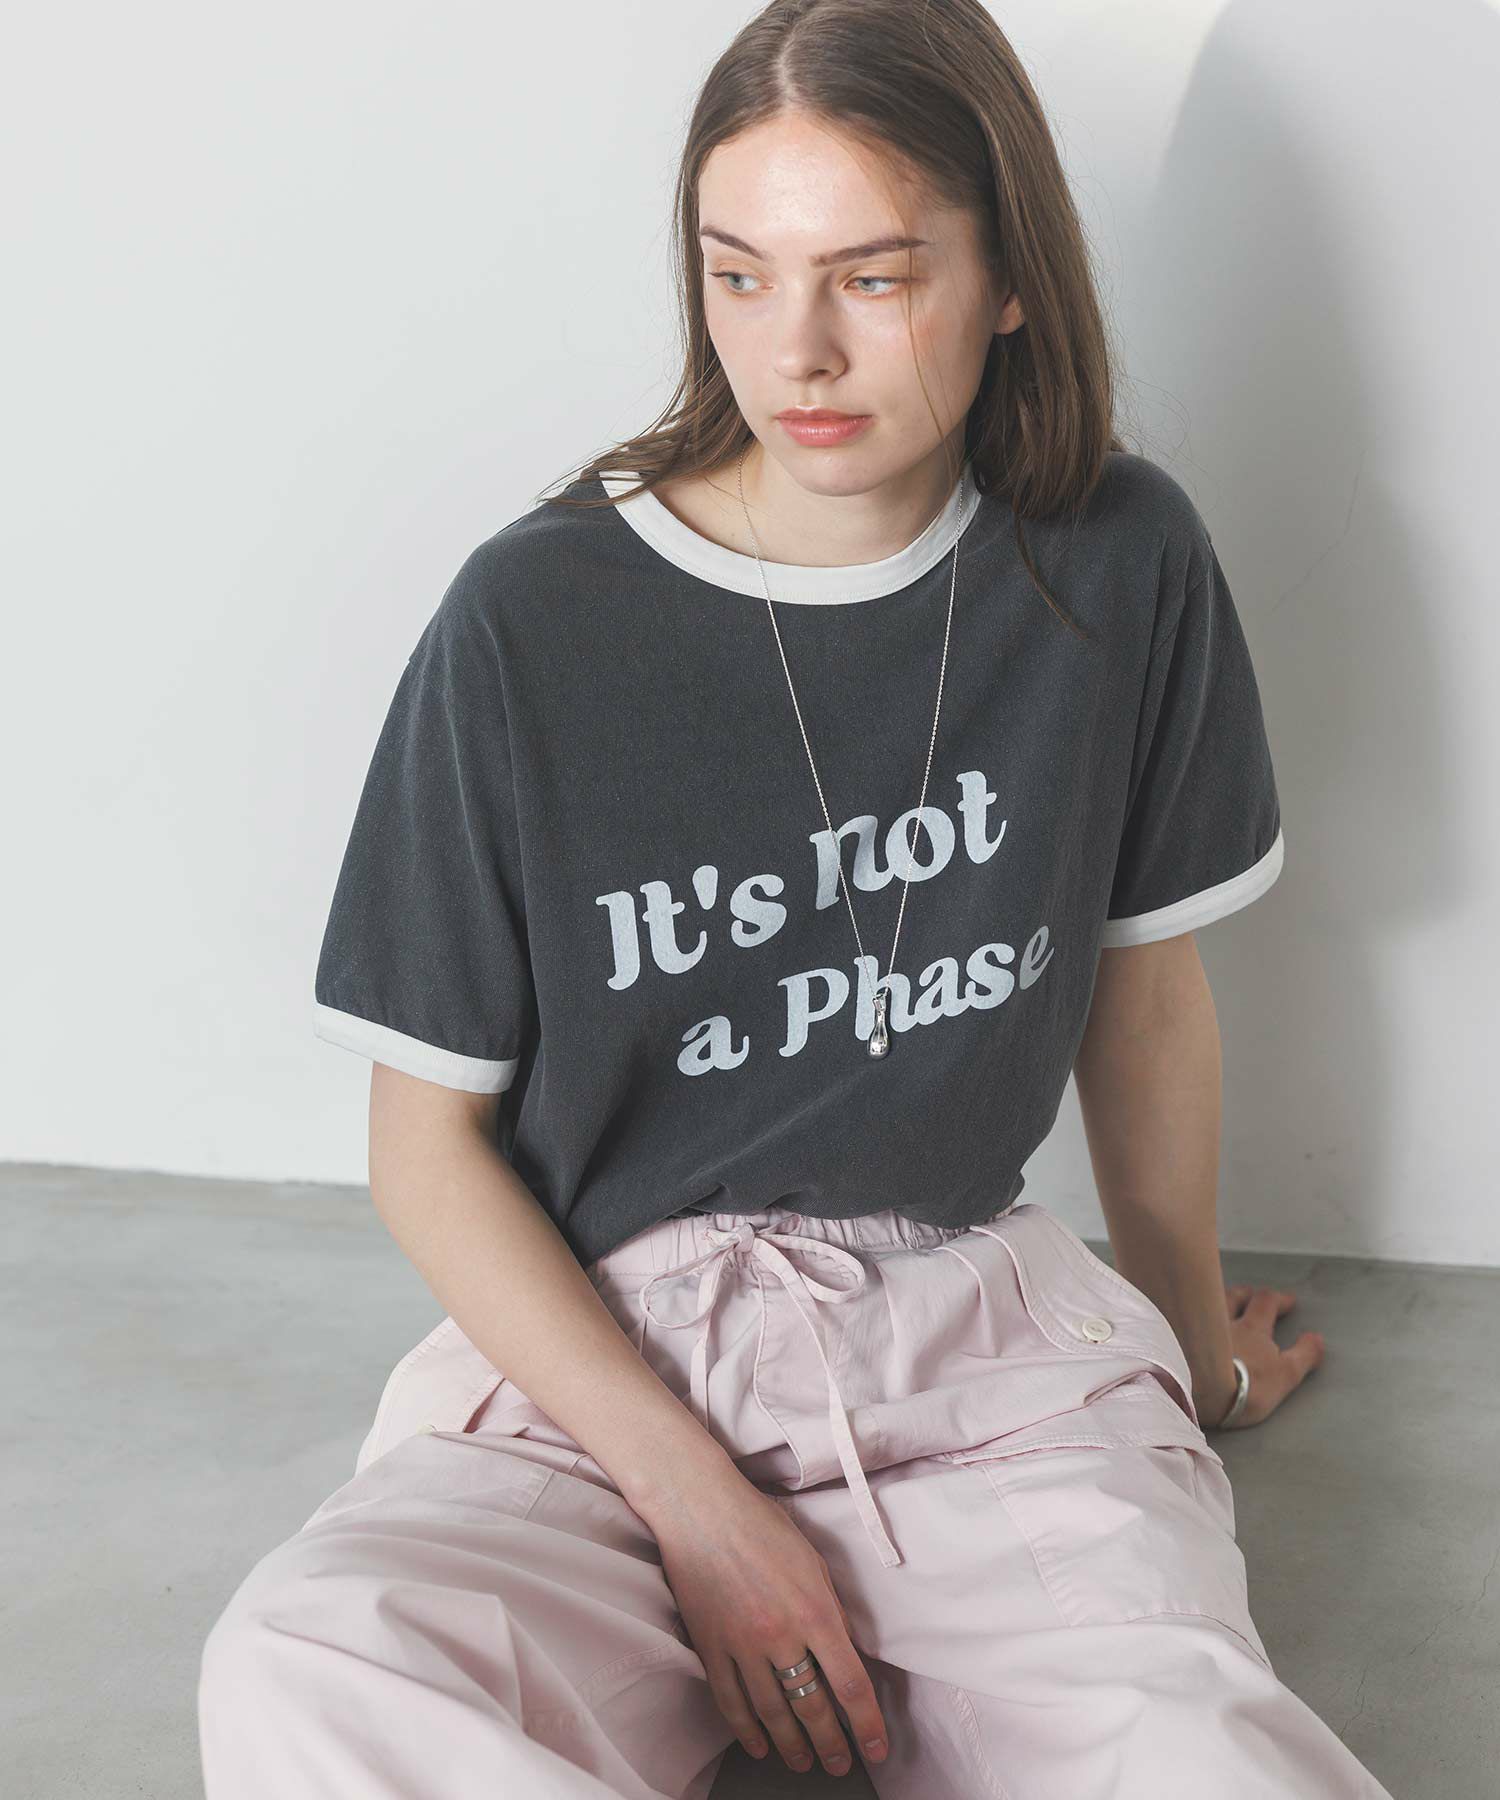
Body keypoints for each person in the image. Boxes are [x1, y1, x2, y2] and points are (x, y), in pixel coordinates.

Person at [198, 2, 1394, 1794]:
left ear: (1010, 277)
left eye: (873, 275)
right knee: (308, 1669)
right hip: (601, 1379)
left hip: (977, 1359)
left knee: (1208, 1760)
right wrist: (700, 1511)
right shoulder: (538, 620)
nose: (798, 350)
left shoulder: (1115, 561)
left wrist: (1190, 1356)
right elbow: (423, 1146)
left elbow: (1146, 1004)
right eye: (740, 276)